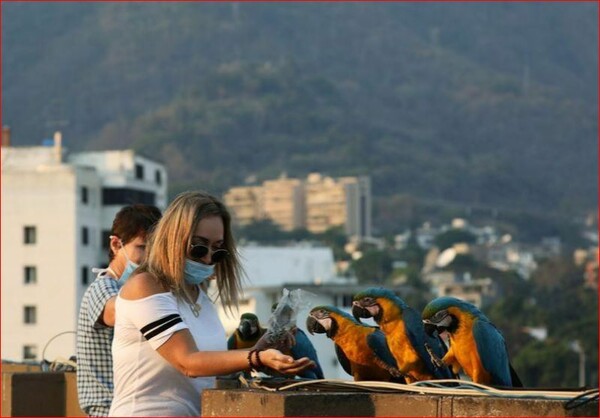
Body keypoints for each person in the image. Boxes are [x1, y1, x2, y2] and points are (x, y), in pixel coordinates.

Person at [109, 191, 314, 416]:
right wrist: (257, 357)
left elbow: (212, 371)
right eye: (199, 247)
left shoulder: (200, 297)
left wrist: (264, 348)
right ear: (173, 239)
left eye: (217, 250)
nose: (207, 259)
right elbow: (189, 362)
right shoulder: (145, 286)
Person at [76, 204, 162, 416]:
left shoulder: (133, 289)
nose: (149, 258)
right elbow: (120, 312)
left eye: (156, 250)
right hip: (107, 409)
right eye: (141, 248)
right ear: (116, 244)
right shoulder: (103, 287)